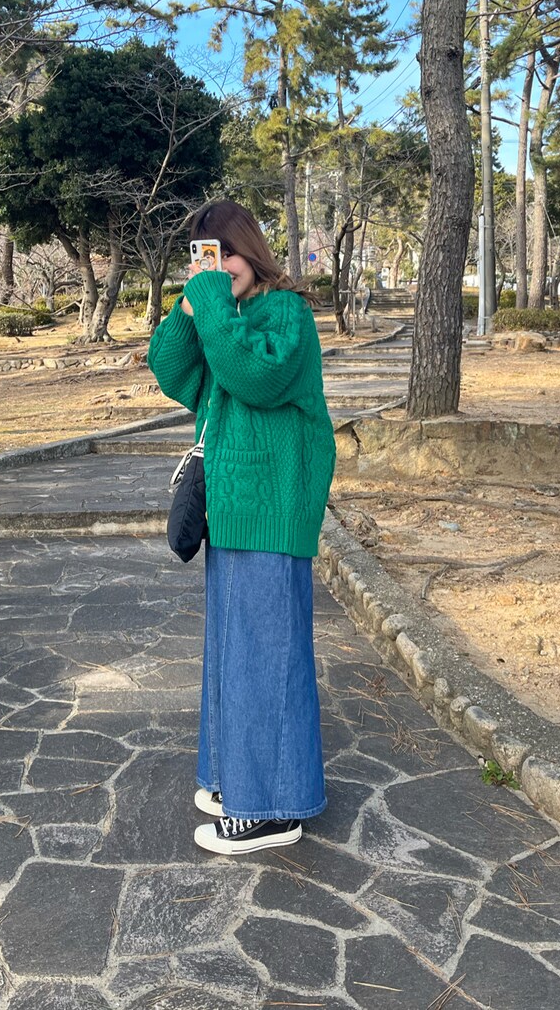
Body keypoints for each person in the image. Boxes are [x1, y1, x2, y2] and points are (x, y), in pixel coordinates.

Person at [147, 200, 336, 855]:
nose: (219, 266)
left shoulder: (286, 313)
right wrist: (187, 309)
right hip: (233, 507)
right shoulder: (223, 315)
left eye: (226, 252)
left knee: (266, 659)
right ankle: (237, 780)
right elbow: (173, 372)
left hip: (273, 507)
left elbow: (255, 377)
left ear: (251, 250)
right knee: (235, 654)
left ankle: (273, 809)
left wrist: (212, 310)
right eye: (205, 255)